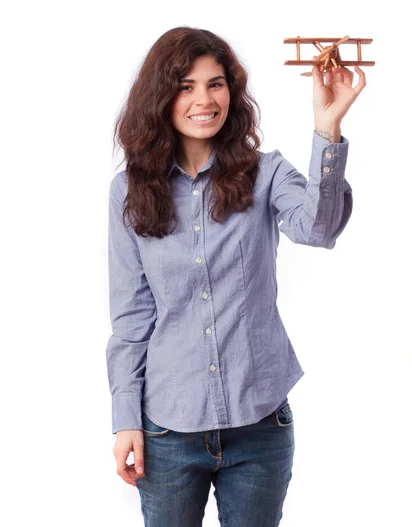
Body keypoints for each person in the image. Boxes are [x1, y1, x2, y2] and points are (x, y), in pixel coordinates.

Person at [105, 27, 366, 527]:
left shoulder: (265, 173)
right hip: (167, 431)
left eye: (216, 83)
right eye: (186, 86)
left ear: (232, 91)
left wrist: (326, 129)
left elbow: (320, 228)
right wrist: (124, 421)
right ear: (161, 97)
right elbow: (132, 317)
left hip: (260, 427)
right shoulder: (128, 192)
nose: (204, 99)